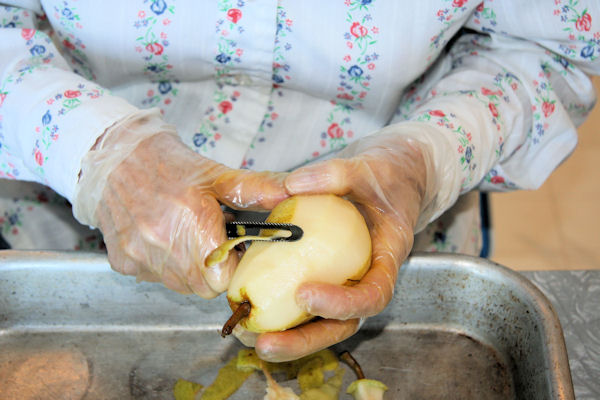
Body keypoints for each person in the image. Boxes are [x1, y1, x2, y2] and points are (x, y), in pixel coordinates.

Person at [1, 1, 599, 362]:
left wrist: (429, 155)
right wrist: (99, 151)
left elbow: (549, 47)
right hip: (58, 218)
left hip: (392, 225)